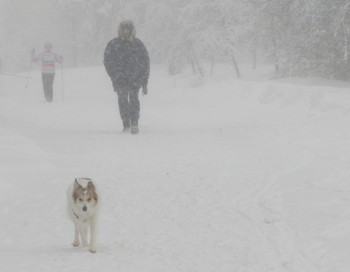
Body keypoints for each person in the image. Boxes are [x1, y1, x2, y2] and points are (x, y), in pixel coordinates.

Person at [104, 20, 150, 134]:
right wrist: (114, 75)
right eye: (124, 29)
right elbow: (107, 61)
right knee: (122, 100)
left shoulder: (138, 44)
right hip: (119, 79)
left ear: (131, 30)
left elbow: (145, 62)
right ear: (120, 30)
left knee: (134, 99)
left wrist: (144, 80)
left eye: (128, 29)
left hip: (135, 78)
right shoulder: (113, 44)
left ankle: (134, 123)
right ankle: (126, 124)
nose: (126, 31)